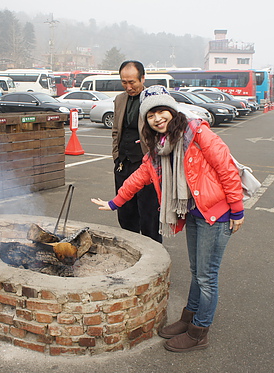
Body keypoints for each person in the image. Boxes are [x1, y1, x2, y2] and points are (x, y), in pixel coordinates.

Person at [92, 86, 245, 352]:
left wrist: (237, 209)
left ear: (172, 111)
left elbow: (227, 168)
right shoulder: (158, 147)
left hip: (216, 213)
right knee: (197, 271)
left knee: (207, 276)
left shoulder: (197, 133)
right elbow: (140, 177)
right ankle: (190, 318)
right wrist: (115, 202)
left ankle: (199, 332)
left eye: (162, 110)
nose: (157, 118)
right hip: (194, 213)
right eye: (150, 114)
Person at [112, 60, 162, 243]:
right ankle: (131, 246)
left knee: (149, 213)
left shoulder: (152, 100)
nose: (128, 86)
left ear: (142, 78)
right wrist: (116, 156)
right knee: (125, 211)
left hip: (146, 165)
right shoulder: (119, 100)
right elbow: (116, 131)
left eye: (132, 82)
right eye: (124, 82)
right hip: (123, 164)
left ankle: (153, 252)